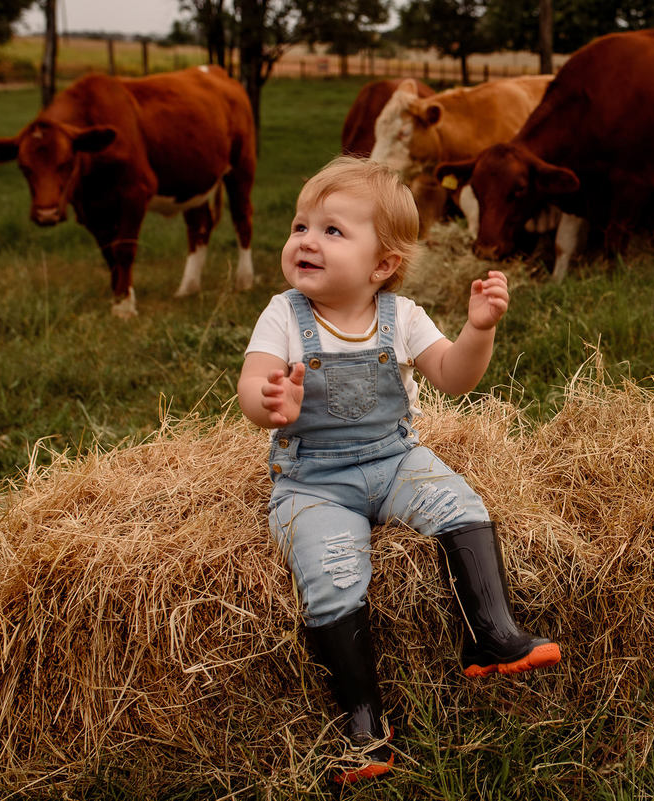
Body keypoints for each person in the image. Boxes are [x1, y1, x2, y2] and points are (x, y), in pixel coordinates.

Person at [237, 156, 561, 782]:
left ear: (382, 264)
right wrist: (270, 401)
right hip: (314, 480)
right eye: (301, 225)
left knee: (459, 505)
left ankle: (490, 635)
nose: (306, 240)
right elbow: (253, 384)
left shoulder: (402, 317)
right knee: (331, 571)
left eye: (332, 231)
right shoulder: (284, 315)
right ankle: (365, 726)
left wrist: (479, 330)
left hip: (394, 460)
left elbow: (454, 378)